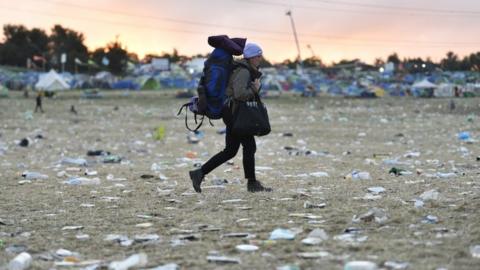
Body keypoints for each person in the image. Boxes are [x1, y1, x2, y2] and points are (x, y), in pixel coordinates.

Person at [189, 43, 272, 193]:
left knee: (231, 150)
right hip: (234, 113)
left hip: (231, 113)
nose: (260, 58)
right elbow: (240, 94)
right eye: (258, 56)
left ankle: (199, 173)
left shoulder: (244, 69)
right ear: (251, 57)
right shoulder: (243, 71)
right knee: (249, 146)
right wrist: (255, 88)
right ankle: (252, 184)